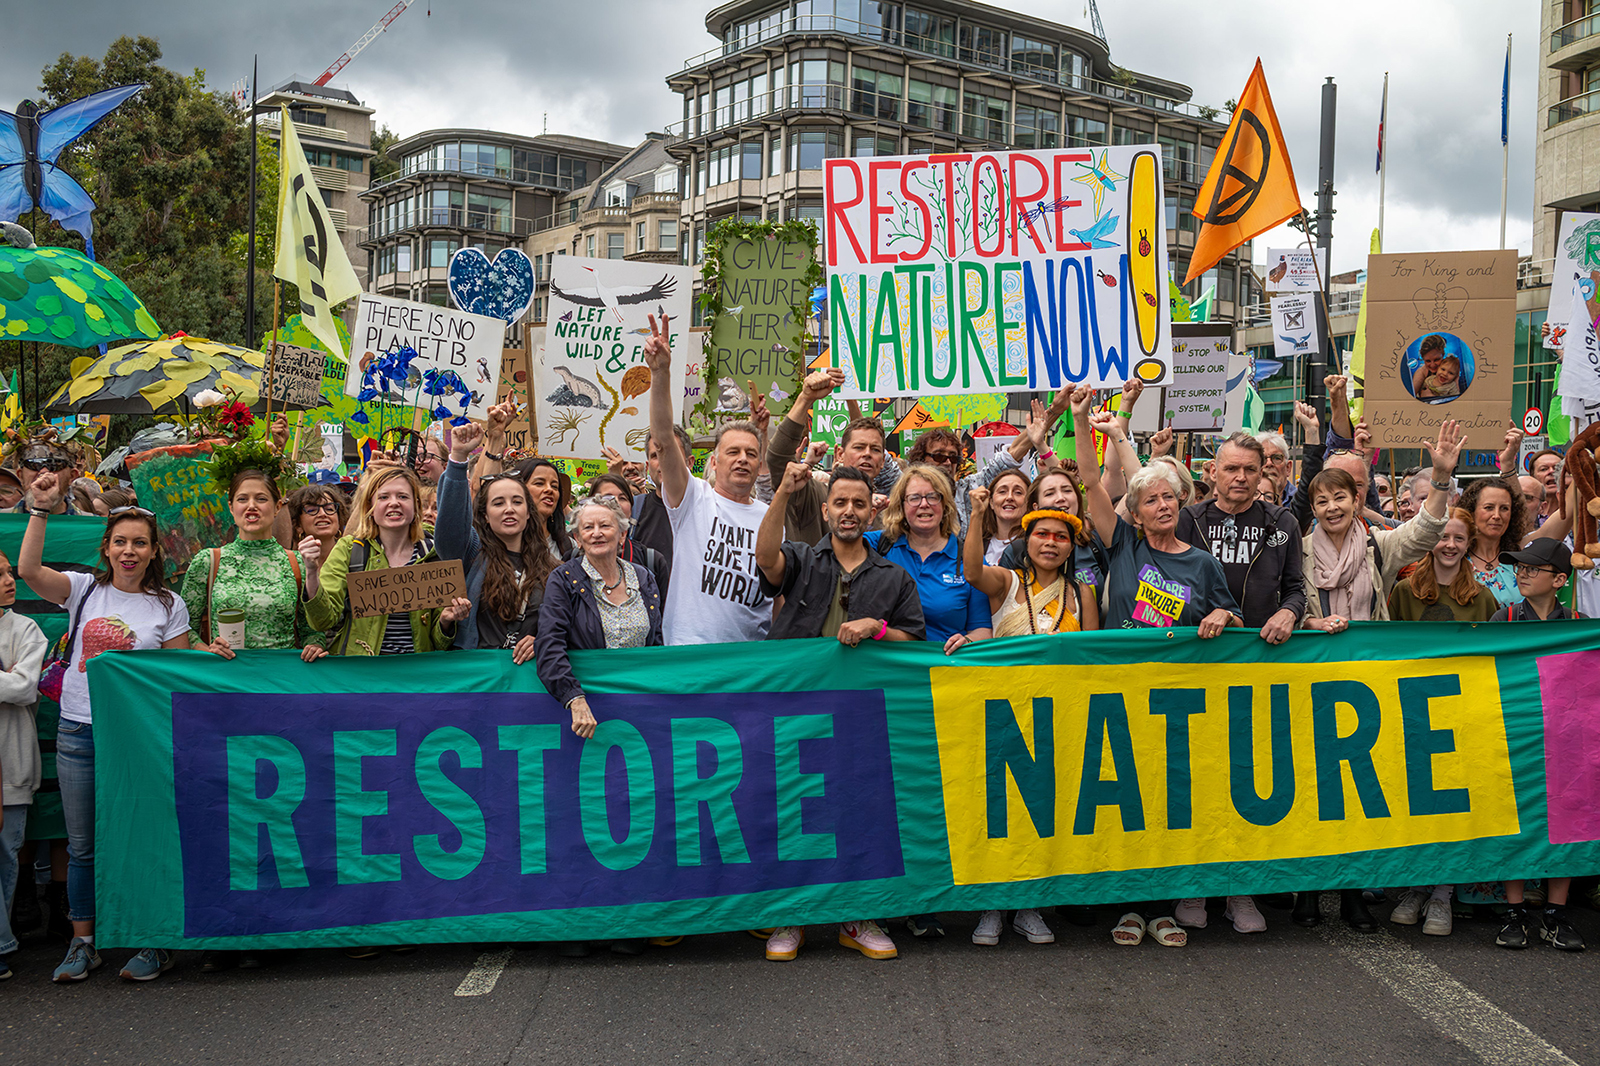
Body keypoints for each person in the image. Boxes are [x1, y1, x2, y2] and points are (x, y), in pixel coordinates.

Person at [18, 474, 192, 982]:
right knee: (82, 846)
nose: (129, 551)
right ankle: (83, 943)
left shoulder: (168, 605)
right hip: (79, 733)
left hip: (138, 741)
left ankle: (152, 940)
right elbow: (28, 569)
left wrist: (207, 652)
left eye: (140, 543)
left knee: (143, 836)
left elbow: (175, 680)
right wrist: (40, 509)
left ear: (154, 550)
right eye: (120, 542)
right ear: (107, 547)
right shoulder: (82, 591)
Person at [1292, 414, 1461, 932]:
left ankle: (1351, 897)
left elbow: (1424, 531)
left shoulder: (1375, 547)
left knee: (1355, 794)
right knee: (1310, 789)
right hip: (1310, 683)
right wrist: (1310, 620)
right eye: (1321, 501)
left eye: (1340, 498)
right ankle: (1305, 892)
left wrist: (1441, 476)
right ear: (1313, 509)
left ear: (1356, 501)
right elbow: (1283, 604)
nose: (1332, 507)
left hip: (1366, 686)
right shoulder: (1295, 551)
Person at [755, 462, 923, 962]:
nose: (849, 512)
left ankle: (857, 917)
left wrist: (877, 627)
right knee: (795, 814)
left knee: (858, 813)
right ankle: (791, 917)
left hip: (860, 717)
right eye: (840, 503)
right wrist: (784, 492)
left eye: (858, 503)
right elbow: (765, 558)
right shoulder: (804, 558)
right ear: (826, 510)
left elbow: (913, 639)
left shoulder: (894, 576)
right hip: (797, 711)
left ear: (874, 508)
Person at [962, 488, 1098, 949]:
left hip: (1059, 716)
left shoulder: (1084, 594)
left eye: (1061, 536)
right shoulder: (1007, 583)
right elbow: (971, 572)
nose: (1051, 542)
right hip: (1005, 712)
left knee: (1044, 814)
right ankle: (992, 906)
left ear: (1071, 545)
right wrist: (978, 516)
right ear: (1027, 538)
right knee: (999, 813)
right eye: (1042, 533)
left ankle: (1030, 906)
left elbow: (1093, 659)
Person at [534, 495, 664, 956]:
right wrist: (574, 697)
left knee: (633, 818)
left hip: (636, 722)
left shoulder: (644, 578)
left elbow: (657, 644)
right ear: (574, 537)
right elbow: (549, 647)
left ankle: (629, 920)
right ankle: (581, 924)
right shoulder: (564, 580)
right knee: (582, 820)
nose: (595, 533)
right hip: (582, 719)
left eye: (605, 525)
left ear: (622, 533)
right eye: (586, 527)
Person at [643, 314, 771, 645]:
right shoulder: (693, 499)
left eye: (751, 454)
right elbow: (662, 438)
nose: (743, 459)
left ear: (759, 465)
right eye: (733, 452)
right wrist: (660, 373)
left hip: (751, 663)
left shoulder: (770, 519)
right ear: (713, 461)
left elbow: (778, 593)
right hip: (690, 657)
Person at [1490, 538, 1585, 951]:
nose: (1523, 573)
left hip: (1566, 741)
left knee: (1566, 821)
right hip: (1514, 736)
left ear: (1560, 579)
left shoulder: (1579, 622)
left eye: (1533, 568)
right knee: (1517, 818)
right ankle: (1514, 911)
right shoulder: (1504, 617)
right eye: (1520, 568)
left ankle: (1555, 912)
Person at [301, 465, 469, 658]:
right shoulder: (349, 550)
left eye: (402, 496)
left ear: (415, 506)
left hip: (415, 674)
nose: (394, 503)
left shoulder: (434, 553)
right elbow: (322, 621)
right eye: (384, 497)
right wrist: (312, 572)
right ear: (370, 507)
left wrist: (446, 621)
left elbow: (438, 643)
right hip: (363, 674)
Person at [180, 460, 326, 665]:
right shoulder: (208, 561)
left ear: (277, 507)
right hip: (226, 678)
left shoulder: (297, 563)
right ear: (231, 507)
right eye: (242, 499)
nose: (251, 506)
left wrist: (315, 646)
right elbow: (183, 628)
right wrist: (207, 651)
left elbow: (313, 630)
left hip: (281, 678)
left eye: (261, 498)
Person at [434, 422, 554, 657]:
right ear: (485, 516)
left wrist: (544, 640)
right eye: (498, 503)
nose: (509, 509)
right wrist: (458, 458)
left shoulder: (553, 568)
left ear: (528, 512)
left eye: (517, 502)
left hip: (530, 683)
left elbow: (567, 626)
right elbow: (450, 530)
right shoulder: (473, 556)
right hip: (481, 679)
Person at [767, 368, 887, 543]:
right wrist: (805, 399)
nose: (867, 454)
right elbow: (778, 458)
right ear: (839, 453)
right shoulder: (812, 495)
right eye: (859, 447)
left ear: (883, 461)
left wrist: (850, 397)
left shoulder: (885, 519)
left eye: (875, 449)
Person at [0, 548, 46, 982]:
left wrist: (12, 682)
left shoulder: (25, 628)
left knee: (5, 855)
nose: (9, 581)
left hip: (11, 763)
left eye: (9, 572)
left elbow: (23, 687)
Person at [1386, 508, 1497, 623]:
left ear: (1468, 544)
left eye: (1459, 538)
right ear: (1431, 539)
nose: (1451, 545)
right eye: (1443, 537)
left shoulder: (1482, 598)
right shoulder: (1405, 591)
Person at [586, 473, 669, 592]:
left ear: (631, 509)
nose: (616, 503)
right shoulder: (573, 558)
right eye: (607, 497)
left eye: (622, 498)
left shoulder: (651, 560)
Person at [1457, 476, 1526, 608]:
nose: (1497, 515)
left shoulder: (1521, 559)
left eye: (1504, 508)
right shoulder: (1455, 559)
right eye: (1489, 507)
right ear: (1471, 511)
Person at [8, 438, 84, 515]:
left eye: (54, 465)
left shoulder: (89, 523)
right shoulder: (4, 522)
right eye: (34, 465)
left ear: (72, 476)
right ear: (20, 476)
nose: (44, 472)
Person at [286, 483, 350, 567]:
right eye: (311, 510)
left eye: (329, 509)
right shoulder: (289, 565)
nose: (322, 514)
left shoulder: (353, 558)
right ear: (298, 525)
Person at [978, 467, 1031, 565]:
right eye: (1002, 492)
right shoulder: (978, 542)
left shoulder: (1032, 545)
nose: (1009, 497)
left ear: (1028, 503)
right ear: (991, 502)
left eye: (1018, 493)